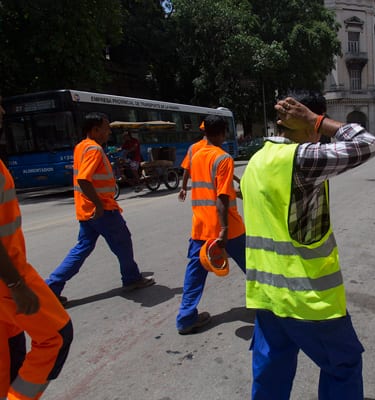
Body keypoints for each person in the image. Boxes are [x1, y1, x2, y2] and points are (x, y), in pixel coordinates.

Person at [240, 94, 375, 399]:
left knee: (271, 373)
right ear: (307, 122)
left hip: (267, 295)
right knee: (342, 365)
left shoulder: (256, 162)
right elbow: (369, 143)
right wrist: (318, 120)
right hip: (308, 298)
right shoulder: (302, 159)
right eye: (316, 124)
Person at [0, 95, 73, 399]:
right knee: (57, 335)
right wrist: (16, 284)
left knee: (10, 355)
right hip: (8, 277)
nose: (3, 111)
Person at [46, 113, 155, 304]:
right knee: (123, 243)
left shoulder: (81, 146)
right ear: (95, 130)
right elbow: (83, 179)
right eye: (106, 128)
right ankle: (132, 279)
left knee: (82, 248)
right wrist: (98, 205)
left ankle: (51, 287)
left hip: (86, 209)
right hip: (102, 209)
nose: (109, 132)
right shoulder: (94, 149)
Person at [176, 115, 246, 335]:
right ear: (223, 133)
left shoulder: (196, 156)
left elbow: (211, 190)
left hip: (201, 227)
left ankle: (186, 318)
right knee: (253, 266)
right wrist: (224, 229)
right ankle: (272, 305)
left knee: (194, 273)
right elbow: (222, 197)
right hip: (228, 229)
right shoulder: (223, 158)